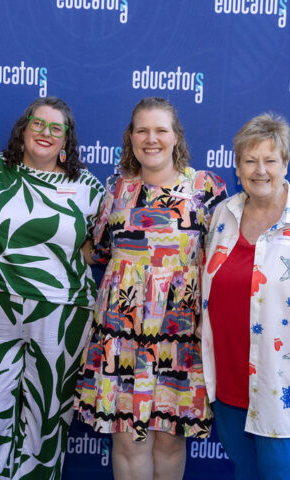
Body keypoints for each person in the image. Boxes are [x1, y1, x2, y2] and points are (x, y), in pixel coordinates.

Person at [74, 97, 227, 480]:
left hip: (181, 334)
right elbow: (98, 251)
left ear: (176, 137)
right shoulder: (117, 190)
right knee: (129, 441)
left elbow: (223, 260)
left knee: (169, 440)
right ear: (130, 137)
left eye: (160, 130)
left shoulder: (205, 189)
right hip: (122, 333)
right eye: (142, 130)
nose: (151, 138)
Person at [0, 97, 105, 480]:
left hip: (63, 316)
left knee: (47, 420)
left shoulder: (88, 188)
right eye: (38, 124)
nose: (46, 133)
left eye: (57, 128)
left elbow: (96, 250)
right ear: (23, 129)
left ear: (67, 139)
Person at [201, 113, 290, 480]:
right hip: (229, 380)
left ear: (285, 164)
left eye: (270, 160)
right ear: (237, 168)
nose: (261, 170)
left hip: (279, 385)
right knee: (245, 471)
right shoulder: (224, 213)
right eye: (250, 161)